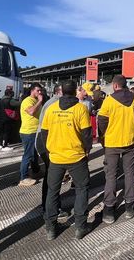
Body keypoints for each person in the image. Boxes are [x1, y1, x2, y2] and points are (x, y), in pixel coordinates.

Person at [42, 80, 92, 240]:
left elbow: (44, 133)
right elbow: (86, 134)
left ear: (62, 91)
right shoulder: (81, 109)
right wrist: (87, 150)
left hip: (56, 157)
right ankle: (80, 226)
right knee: (82, 189)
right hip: (76, 156)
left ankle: (50, 228)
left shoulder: (51, 109)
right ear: (75, 91)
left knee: (52, 191)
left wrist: (50, 149)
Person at [97, 75, 134, 224]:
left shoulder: (109, 100)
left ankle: (109, 211)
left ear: (115, 85)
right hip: (130, 142)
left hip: (112, 143)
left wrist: (102, 137)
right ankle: (130, 207)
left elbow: (102, 121)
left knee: (111, 175)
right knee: (130, 174)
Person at [36, 84, 66, 217]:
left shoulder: (53, 102)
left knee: (51, 176)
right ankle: (51, 209)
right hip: (46, 143)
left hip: (46, 143)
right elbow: (47, 128)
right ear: (60, 92)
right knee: (52, 177)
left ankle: (48, 206)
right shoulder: (54, 104)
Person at [19, 83, 44, 187]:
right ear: (32, 90)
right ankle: (23, 177)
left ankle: (36, 170)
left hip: (35, 131)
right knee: (28, 155)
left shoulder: (36, 101)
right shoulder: (27, 101)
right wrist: (40, 101)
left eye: (41, 91)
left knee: (34, 153)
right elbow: (31, 112)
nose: (40, 93)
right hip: (28, 131)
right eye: (38, 90)